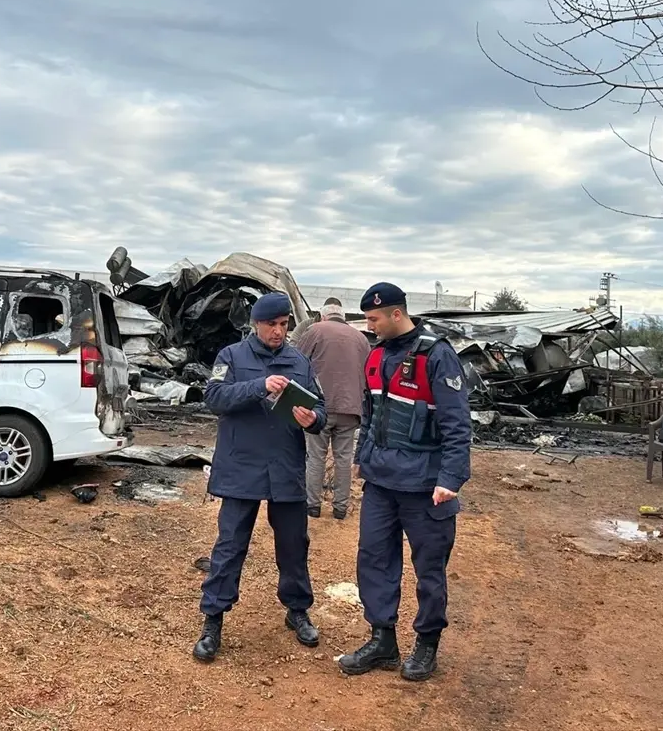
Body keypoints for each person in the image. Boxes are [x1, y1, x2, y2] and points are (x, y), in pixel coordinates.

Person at [337, 282, 471, 683]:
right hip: (380, 482)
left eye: (374, 318)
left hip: (426, 486)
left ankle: (427, 644)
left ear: (397, 314)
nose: (369, 325)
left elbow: (456, 423)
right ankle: (383, 640)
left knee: (429, 568)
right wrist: (362, 459)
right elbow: (370, 411)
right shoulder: (375, 355)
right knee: (374, 560)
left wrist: (451, 478)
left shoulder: (437, 355)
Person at [193, 291, 327, 663]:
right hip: (241, 468)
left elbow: (321, 408)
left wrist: (313, 420)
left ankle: (297, 610)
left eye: (284, 325)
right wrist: (259, 385)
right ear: (256, 324)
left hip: (285, 468)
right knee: (230, 545)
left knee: (293, 545)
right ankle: (213, 620)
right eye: (272, 325)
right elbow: (214, 396)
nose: (279, 332)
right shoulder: (232, 357)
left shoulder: (299, 361)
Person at [296, 299, 371, 519]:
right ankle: (340, 508)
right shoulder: (361, 338)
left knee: (316, 457)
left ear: (323, 316)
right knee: (343, 459)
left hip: (320, 409)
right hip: (351, 408)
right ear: (343, 317)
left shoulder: (315, 330)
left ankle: (312, 505)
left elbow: (297, 361)